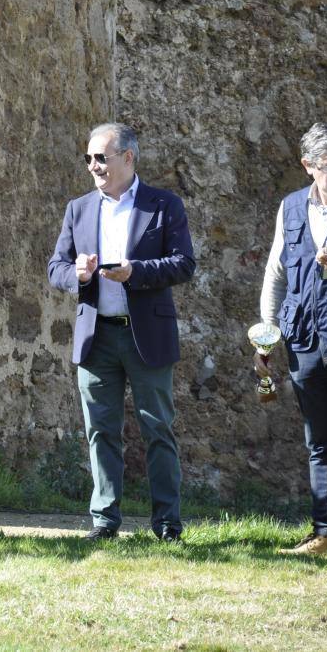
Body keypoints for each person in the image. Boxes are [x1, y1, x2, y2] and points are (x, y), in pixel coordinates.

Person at [48, 122, 196, 542]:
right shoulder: (78, 208)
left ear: (128, 158)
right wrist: (75, 274)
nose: (93, 166)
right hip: (96, 336)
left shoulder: (164, 205)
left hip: (146, 336)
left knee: (157, 429)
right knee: (100, 430)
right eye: (88, 158)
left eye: (101, 158)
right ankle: (104, 521)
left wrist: (136, 273)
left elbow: (184, 263)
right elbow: (55, 267)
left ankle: (167, 524)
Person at [259, 122, 327, 556]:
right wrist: (265, 341)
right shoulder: (289, 209)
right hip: (305, 340)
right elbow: (275, 275)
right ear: (308, 166)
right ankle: (325, 534)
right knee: (320, 441)